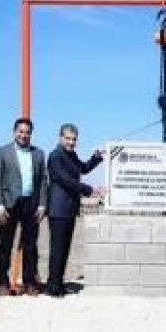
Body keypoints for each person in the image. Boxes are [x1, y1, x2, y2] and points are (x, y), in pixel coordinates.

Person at [0, 117, 47, 297]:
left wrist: (42, 204)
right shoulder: (3, 152)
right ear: (14, 132)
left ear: (31, 134)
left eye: (27, 132)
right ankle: (2, 281)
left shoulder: (38, 153)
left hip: (31, 204)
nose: (24, 135)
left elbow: (42, 181)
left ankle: (29, 282)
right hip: (9, 204)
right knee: (5, 245)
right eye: (21, 131)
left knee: (31, 246)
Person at [45, 123, 102, 297]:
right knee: (57, 249)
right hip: (58, 209)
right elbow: (66, 181)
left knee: (65, 248)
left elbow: (83, 168)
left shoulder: (71, 155)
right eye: (68, 138)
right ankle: (52, 287)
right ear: (60, 137)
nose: (71, 142)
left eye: (74, 139)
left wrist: (96, 157)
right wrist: (90, 190)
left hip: (69, 209)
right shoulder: (55, 156)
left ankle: (59, 283)